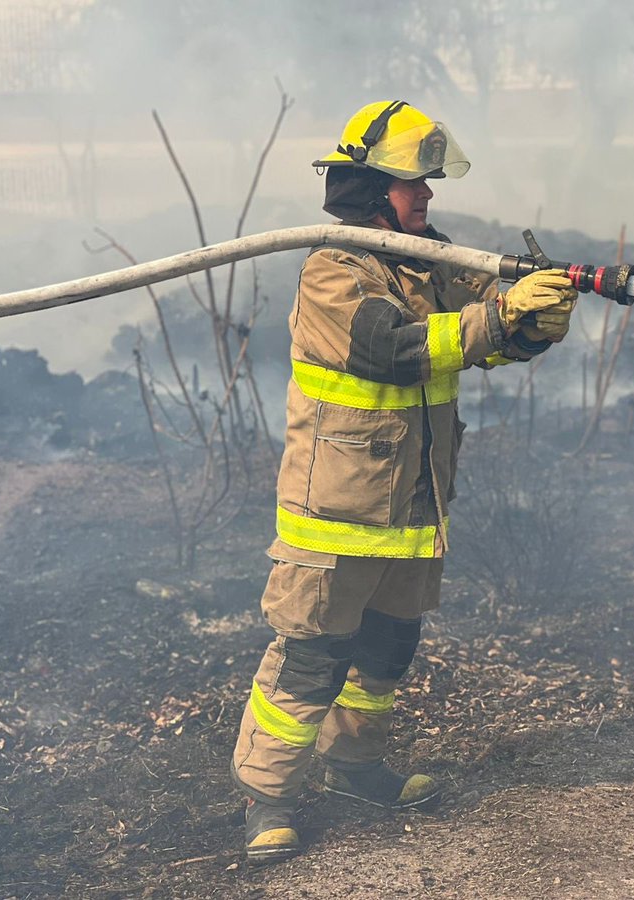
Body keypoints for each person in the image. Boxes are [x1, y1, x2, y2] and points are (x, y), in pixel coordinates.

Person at [231, 100, 577, 864]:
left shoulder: (428, 259)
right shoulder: (333, 271)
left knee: (388, 649)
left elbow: (476, 338)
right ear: (365, 188)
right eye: (408, 182)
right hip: (339, 510)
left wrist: (529, 323)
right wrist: (494, 321)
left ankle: (355, 766)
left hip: (413, 508)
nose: (424, 196)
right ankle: (268, 800)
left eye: (427, 183)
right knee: (311, 656)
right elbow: (394, 348)